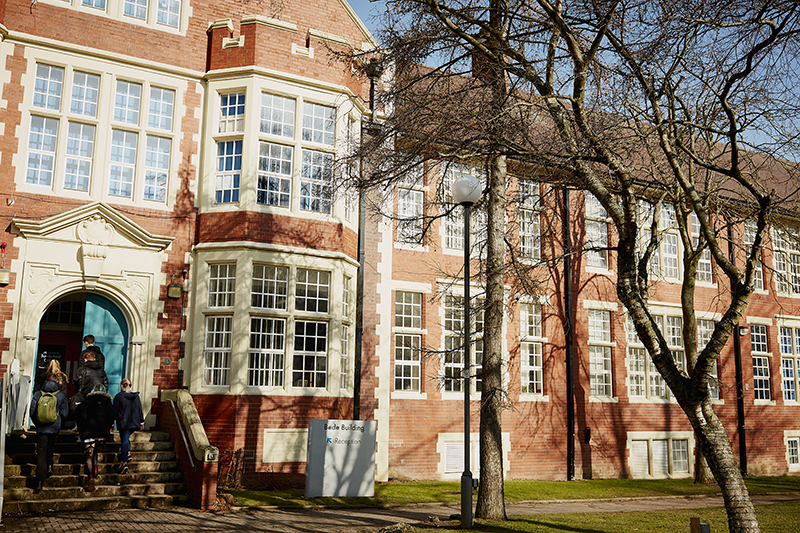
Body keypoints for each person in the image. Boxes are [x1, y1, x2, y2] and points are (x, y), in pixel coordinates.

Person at [28, 373, 69, 494]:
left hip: (41, 427)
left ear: (46, 381)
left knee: (41, 452)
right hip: (54, 427)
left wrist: (38, 422)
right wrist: (58, 421)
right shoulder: (60, 395)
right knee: (50, 447)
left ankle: (39, 481)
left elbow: (32, 411)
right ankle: (50, 466)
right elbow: (65, 413)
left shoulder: (38, 394)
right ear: (57, 382)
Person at [75, 383, 115, 492]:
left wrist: (81, 431)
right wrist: (107, 428)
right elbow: (111, 417)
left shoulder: (86, 403)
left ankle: (91, 476)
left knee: (89, 454)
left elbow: (81, 417)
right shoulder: (107, 403)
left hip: (89, 431)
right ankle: (96, 467)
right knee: (95, 448)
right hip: (101, 432)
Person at [113, 378, 144, 474]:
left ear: (122, 386)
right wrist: (141, 422)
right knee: (125, 438)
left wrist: (111, 423)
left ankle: (125, 463)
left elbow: (115, 411)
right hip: (134, 422)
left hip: (123, 423)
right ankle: (129, 453)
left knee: (124, 441)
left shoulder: (118, 397)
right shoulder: (135, 396)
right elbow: (139, 409)